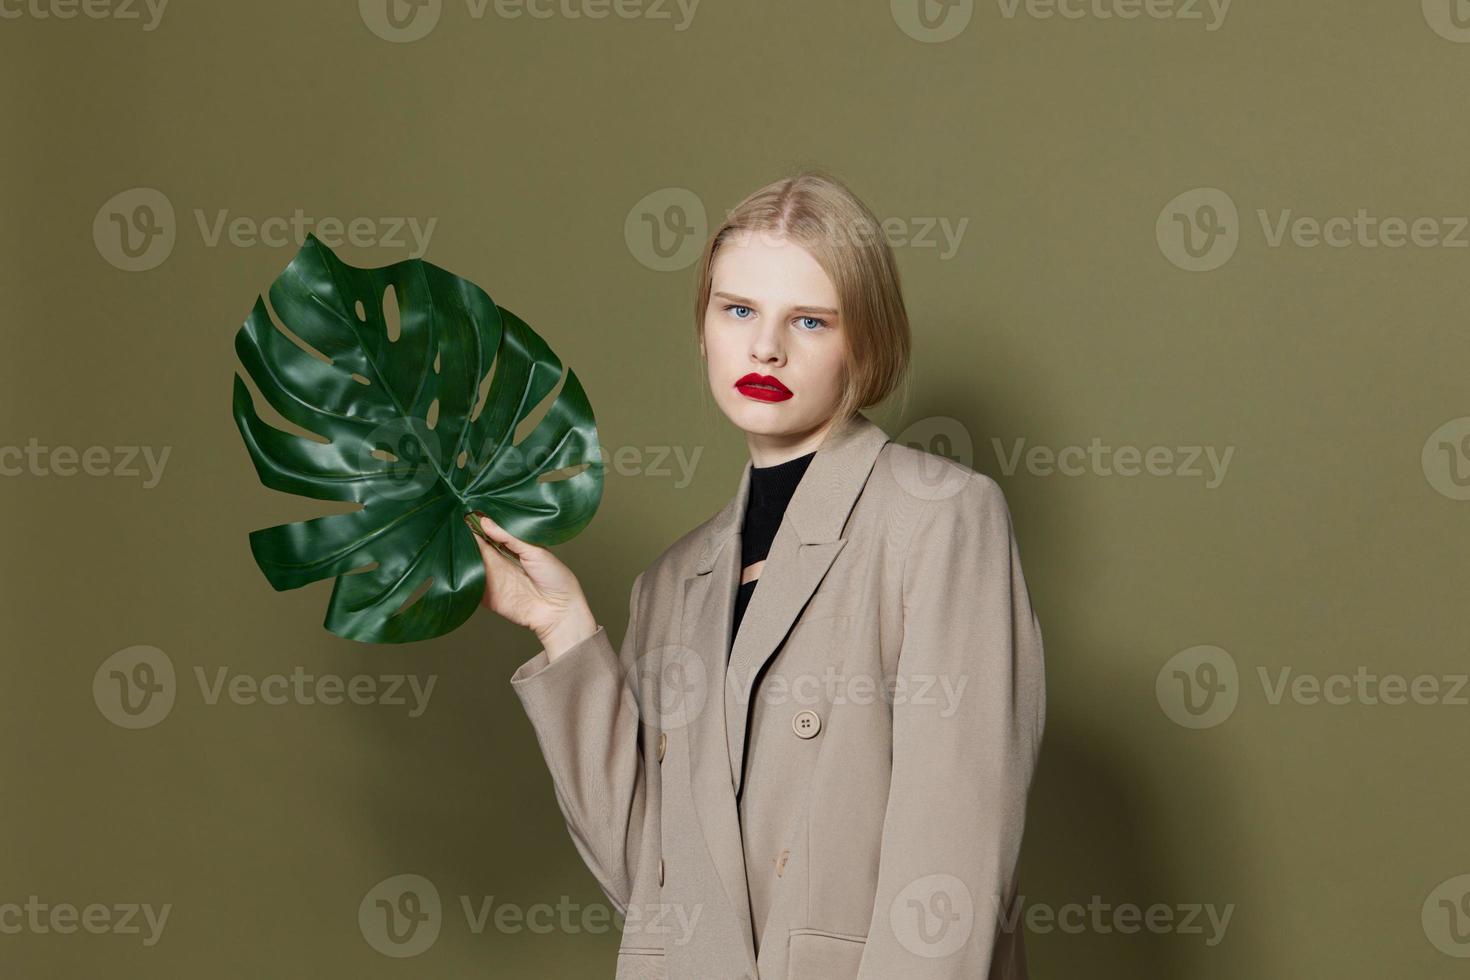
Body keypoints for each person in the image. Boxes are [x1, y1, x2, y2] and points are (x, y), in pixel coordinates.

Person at [466, 171, 1047, 979]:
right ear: (703, 329)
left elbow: (950, 866)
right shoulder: (671, 583)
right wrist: (560, 627)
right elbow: (654, 882)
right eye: (738, 310)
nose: (765, 347)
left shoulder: (941, 518)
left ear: (865, 344)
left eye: (809, 320)